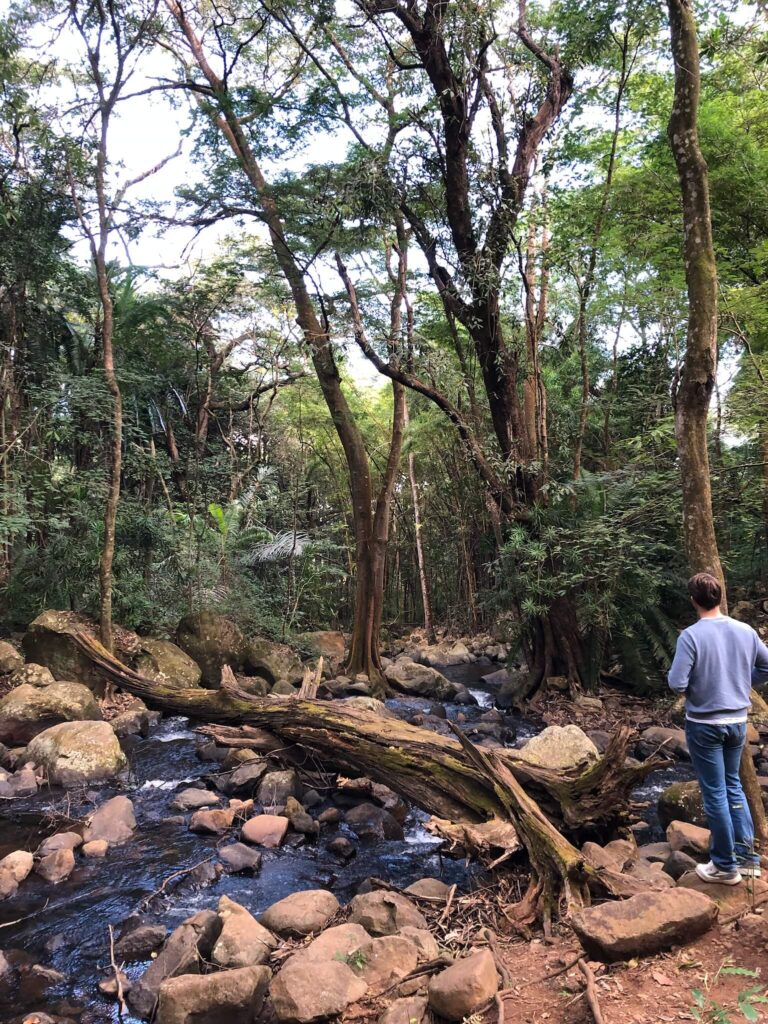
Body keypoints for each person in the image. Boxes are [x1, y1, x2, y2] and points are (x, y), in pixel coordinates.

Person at [668, 572, 768, 885]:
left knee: (715, 794)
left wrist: (706, 686)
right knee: (733, 786)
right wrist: (740, 682)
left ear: (693, 600)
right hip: (738, 723)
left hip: (705, 725)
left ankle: (725, 866)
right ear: (720, 597)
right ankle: (748, 859)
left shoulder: (691, 636)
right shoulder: (745, 630)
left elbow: (676, 683)